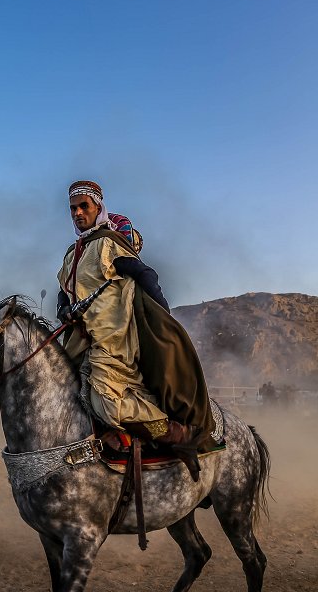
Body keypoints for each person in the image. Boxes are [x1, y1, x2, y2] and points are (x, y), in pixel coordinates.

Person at [57, 179, 215, 480]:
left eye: (83, 207)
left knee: (108, 402)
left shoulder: (108, 243)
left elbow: (145, 274)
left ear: (98, 207)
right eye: (73, 209)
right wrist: (63, 309)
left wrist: (161, 317)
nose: (78, 213)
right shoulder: (71, 254)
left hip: (113, 337)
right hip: (80, 339)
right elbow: (63, 292)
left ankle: (177, 434)